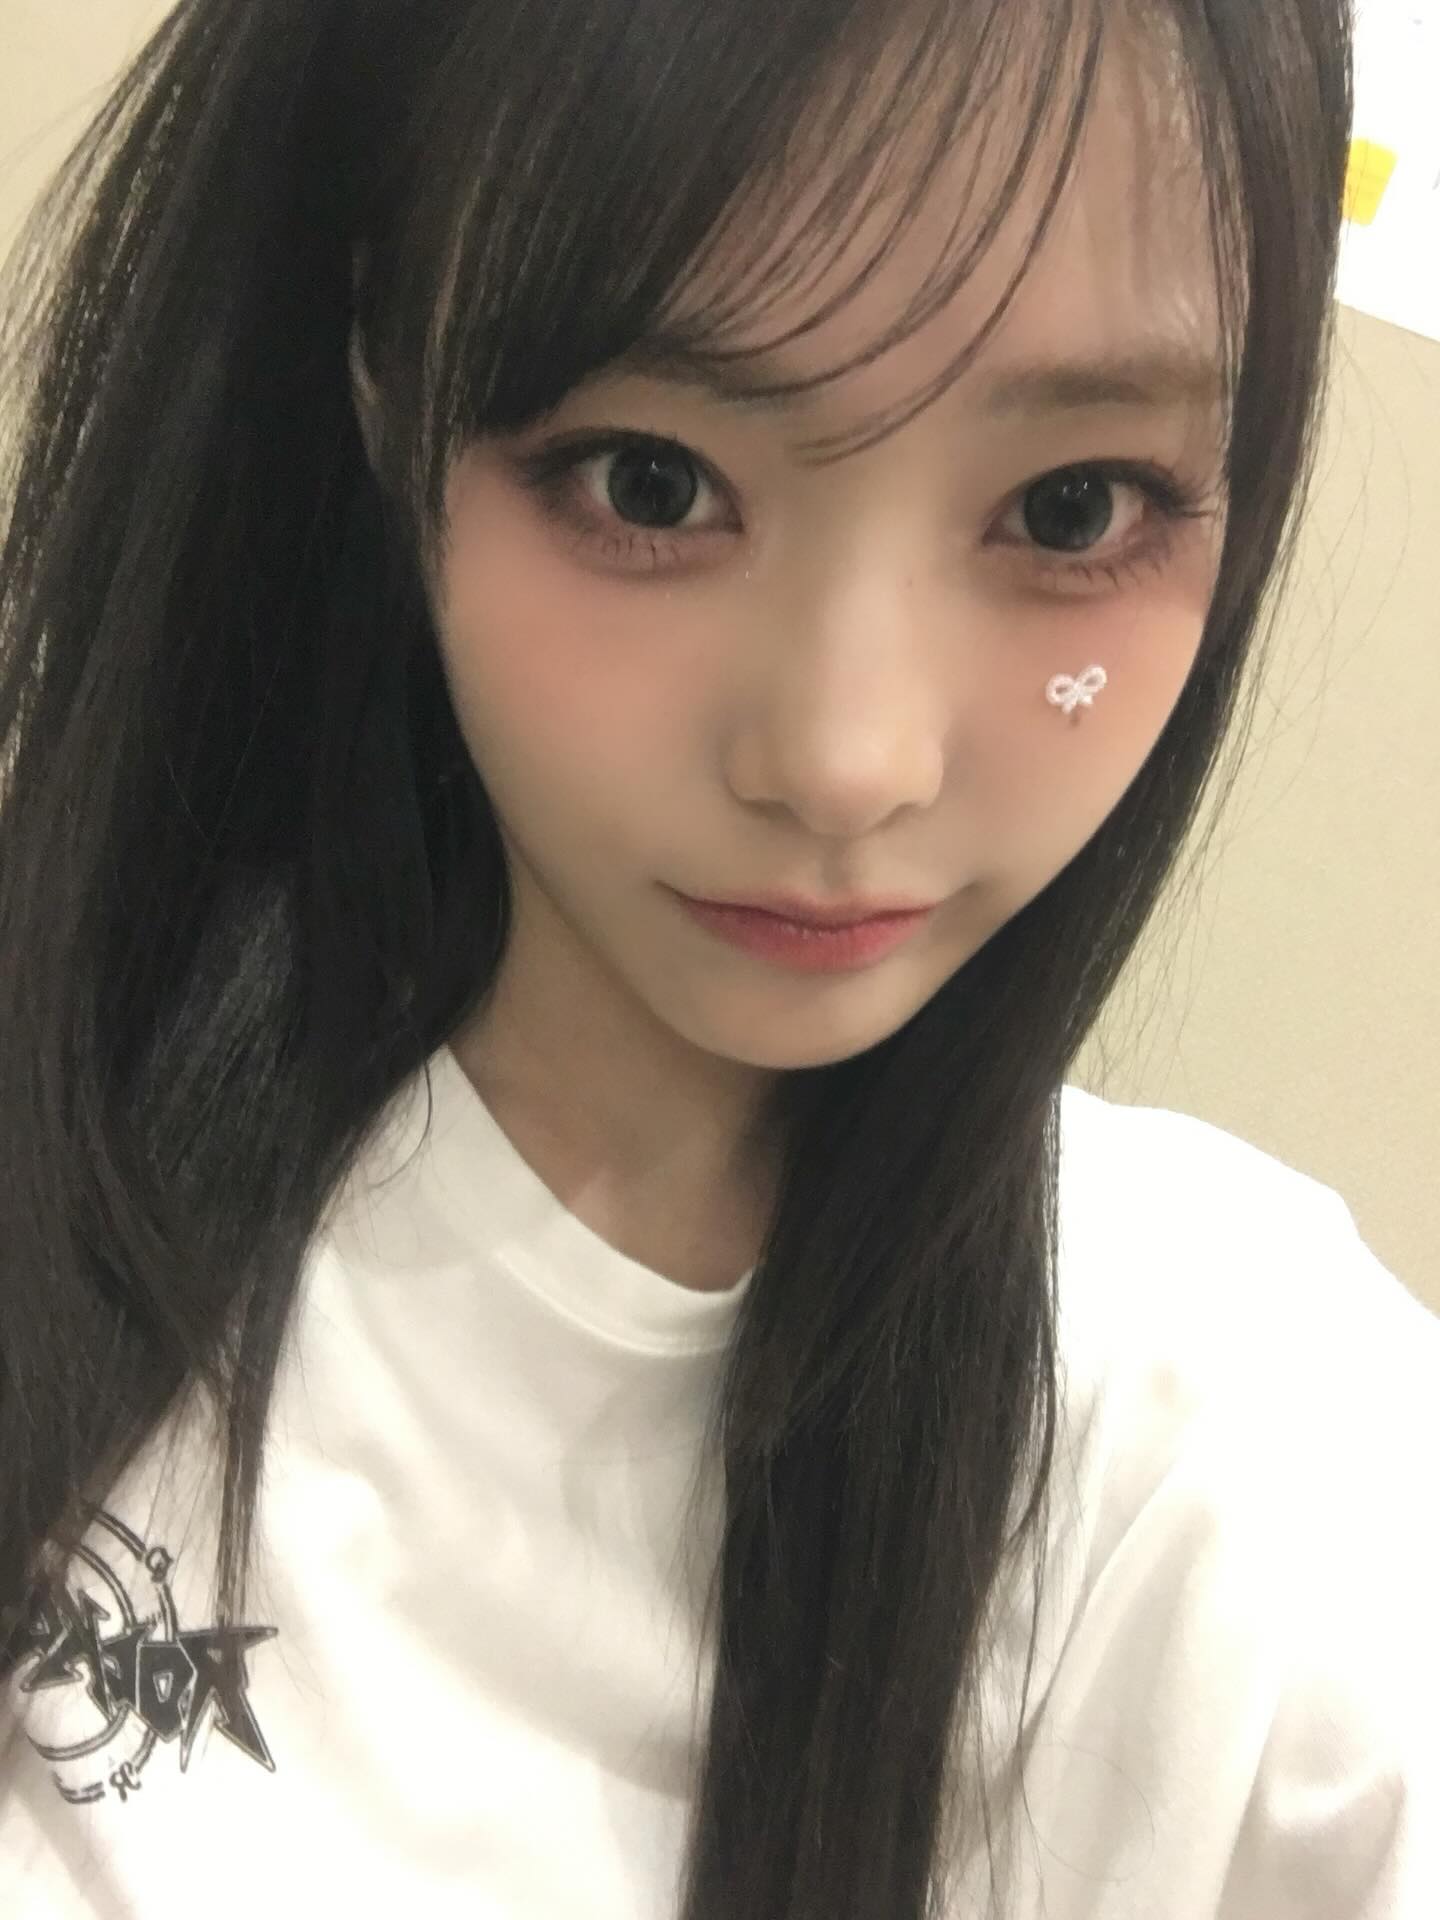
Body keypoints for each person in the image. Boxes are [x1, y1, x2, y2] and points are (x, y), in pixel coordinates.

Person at [0, 0, 1434, 1914]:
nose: (848, 762)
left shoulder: (1260, 1448)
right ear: (380, 379)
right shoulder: (77, 1142)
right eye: (652, 483)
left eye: (1071, 508)